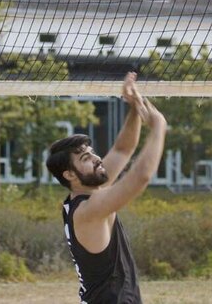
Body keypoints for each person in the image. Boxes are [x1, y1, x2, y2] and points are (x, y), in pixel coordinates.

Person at [46, 72, 167, 304]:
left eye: (92, 153)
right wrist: (159, 126)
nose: (96, 158)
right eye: (85, 158)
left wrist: (134, 107)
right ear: (70, 174)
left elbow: (123, 149)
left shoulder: (84, 195)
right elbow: (141, 177)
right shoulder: (89, 210)